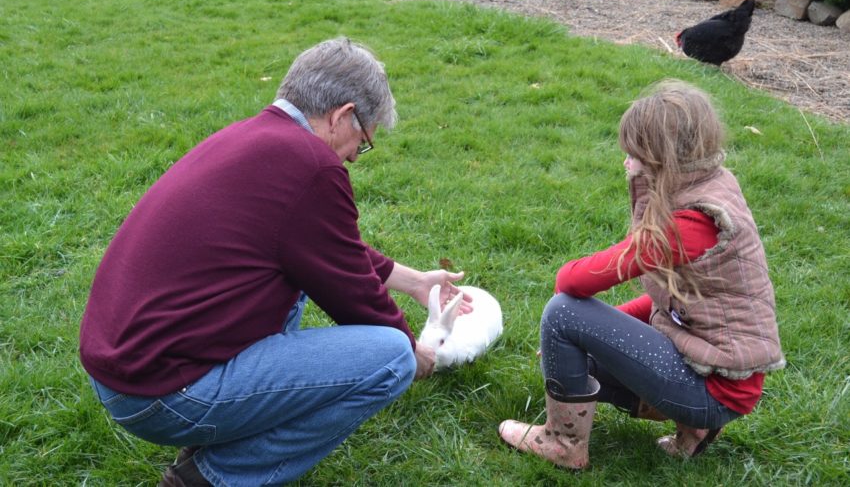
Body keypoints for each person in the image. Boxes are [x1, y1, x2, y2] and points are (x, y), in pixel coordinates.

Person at [79, 37, 469, 486]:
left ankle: (226, 427)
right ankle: (213, 476)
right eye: (361, 144)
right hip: (162, 394)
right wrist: (416, 351)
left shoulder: (254, 137)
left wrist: (416, 281)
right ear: (343, 116)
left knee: (294, 279)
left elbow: (321, 247)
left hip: (123, 372)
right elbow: (355, 299)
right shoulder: (313, 166)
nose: (353, 158)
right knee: (389, 359)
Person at [499, 80, 785, 469]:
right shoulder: (714, 186)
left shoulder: (687, 224)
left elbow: (572, 281)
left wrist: (584, 325)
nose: (625, 163)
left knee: (563, 312)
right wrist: (602, 329)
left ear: (659, 158)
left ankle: (564, 443)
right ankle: (693, 430)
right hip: (721, 377)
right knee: (574, 346)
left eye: (633, 154)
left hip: (713, 389)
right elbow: (673, 302)